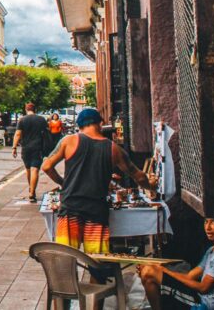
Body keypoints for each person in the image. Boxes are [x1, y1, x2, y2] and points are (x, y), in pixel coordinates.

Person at [41, 108, 157, 255]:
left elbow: (46, 166)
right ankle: (96, 278)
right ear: (100, 124)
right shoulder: (113, 149)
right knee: (98, 263)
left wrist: (63, 183)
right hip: (96, 211)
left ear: (80, 125)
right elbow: (138, 176)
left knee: (65, 260)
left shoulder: (69, 141)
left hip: (70, 208)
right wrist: (151, 186)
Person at [138, 218, 214, 310]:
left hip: (203, 305)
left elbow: (203, 288)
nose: (208, 227)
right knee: (148, 274)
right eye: (206, 222)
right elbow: (189, 276)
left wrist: (164, 271)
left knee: (149, 271)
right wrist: (162, 271)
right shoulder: (211, 250)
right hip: (198, 297)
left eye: (213, 222)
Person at [13, 102, 49, 202]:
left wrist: (14, 147)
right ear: (35, 109)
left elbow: (18, 134)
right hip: (38, 147)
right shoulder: (41, 119)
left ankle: (31, 189)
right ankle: (32, 192)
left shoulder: (22, 120)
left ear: (26, 109)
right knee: (35, 170)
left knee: (28, 170)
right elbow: (47, 133)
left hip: (26, 148)